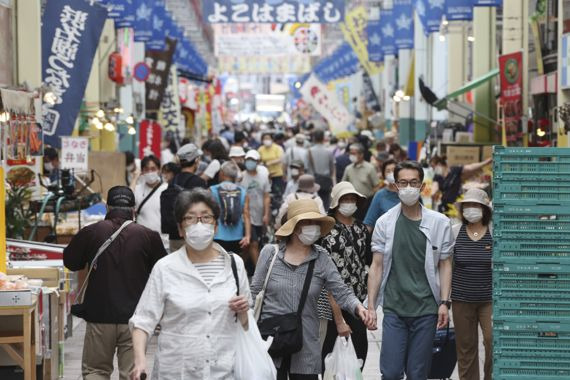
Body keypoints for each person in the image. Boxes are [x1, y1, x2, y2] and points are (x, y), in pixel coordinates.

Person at [129, 190, 250, 379]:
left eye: (206, 217)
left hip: (224, 370)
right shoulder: (165, 268)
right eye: (190, 218)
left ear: (216, 226)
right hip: (177, 371)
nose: (199, 224)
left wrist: (243, 310)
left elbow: (246, 324)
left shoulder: (235, 265)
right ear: (180, 229)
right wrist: (140, 361)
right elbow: (143, 322)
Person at [251, 198, 371, 379]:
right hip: (269, 342)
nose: (312, 227)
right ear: (294, 226)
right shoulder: (270, 253)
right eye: (307, 222)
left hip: (306, 344)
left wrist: (359, 308)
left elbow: (342, 291)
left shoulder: (321, 258)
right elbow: (253, 293)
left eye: (316, 222)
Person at [64, 186, 167, 380]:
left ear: (107, 207)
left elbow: (71, 262)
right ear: (133, 209)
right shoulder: (148, 236)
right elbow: (164, 272)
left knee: (95, 371)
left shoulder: (91, 232)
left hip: (99, 316)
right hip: (135, 318)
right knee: (132, 373)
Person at [366, 161, 454, 380]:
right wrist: (370, 306)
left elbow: (445, 263)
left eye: (413, 182)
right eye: (403, 182)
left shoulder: (439, 223)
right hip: (395, 308)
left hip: (425, 309)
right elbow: (377, 265)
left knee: (417, 373)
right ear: (395, 186)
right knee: (391, 372)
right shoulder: (384, 223)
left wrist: (444, 303)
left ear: (422, 186)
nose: (408, 187)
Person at [320, 182, 371, 371]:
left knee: (359, 355)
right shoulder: (326, 229)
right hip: (329, 302)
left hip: (356, 304)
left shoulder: (361, 229)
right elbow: (324, 275)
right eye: (345, 199)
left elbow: (368, 263)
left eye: (352, 199)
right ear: (336, 202)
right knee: (328, 358)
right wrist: (339, 319)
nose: (349, 203)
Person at [451, 188, 493, 380]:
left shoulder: (494, 231)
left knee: (493, 340)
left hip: (489, 299)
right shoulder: (454, 231)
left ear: (485, 209)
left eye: (476, 205)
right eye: (467, 205)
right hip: (461, 298)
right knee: (466, 347)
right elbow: (445, 265)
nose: (471, 209)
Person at [162, 143, 207, 252]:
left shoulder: (173, 181)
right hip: (193, 235)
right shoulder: (199, 182)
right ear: (196, 160)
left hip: (174, 235)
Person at [210, 161, 251, 255]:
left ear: (222, 173)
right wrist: (247, 236)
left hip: (217, 235)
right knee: (234, 263)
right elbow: (246, 214)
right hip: (237, 237)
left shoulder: (213, 190)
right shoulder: (242, 191)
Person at [240, 150, 271, 266]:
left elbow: (266, 196)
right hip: (246, 216)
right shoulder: (241, 177)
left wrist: (266, 214)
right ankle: (260, 275)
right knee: (254, 243)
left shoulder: (263, 176)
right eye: (248, 160)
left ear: (258, 161)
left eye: (252, 160)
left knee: (248, 247)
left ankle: (236, 269)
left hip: (259, 214)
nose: (250, 162)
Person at [132, 155, 169, 248]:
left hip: (163, 242)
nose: (150, 172)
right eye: (146, 169)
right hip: (142, 241)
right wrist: (135, 178)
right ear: (142, 171)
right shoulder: (138, 189)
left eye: (153, 169)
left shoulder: (167, 189)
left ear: (159, 170)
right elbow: (128, 198)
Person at [342, 143, 379, 220]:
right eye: (350, 153)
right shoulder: (348, 168)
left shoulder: (370, 168)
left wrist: (370, 197)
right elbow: (343, 184)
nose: (351, 155)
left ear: (361, 154)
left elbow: (376, 186)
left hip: (367, 202)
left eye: (353, 153)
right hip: (352, 202)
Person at [363, 159, 400, 231]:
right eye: (388, 171)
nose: (391, 173)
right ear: (384, 176)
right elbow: (369, 222)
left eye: (394, 170)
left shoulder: (407, 193)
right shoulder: (380, 195)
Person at [308, 130, 336, 210]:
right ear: (323, 138)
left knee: (314, 204)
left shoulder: (309, 151)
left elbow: (307, 167)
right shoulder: (329, 151)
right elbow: (332, 169)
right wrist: (334, 183)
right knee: (325, 204)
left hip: (312, 181)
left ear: (314, 138)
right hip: (326, 181)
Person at [258, 132, 285, 199]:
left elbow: (280, 158)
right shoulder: (260, 149)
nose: (266, 140)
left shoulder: (277, 148)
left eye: (268, 138)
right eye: (265, 139)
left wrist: (269, 163)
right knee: (267, 194)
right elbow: (258, 159)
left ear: (272, 139)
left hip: (277, 174)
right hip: (265, 175)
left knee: (277, 193)